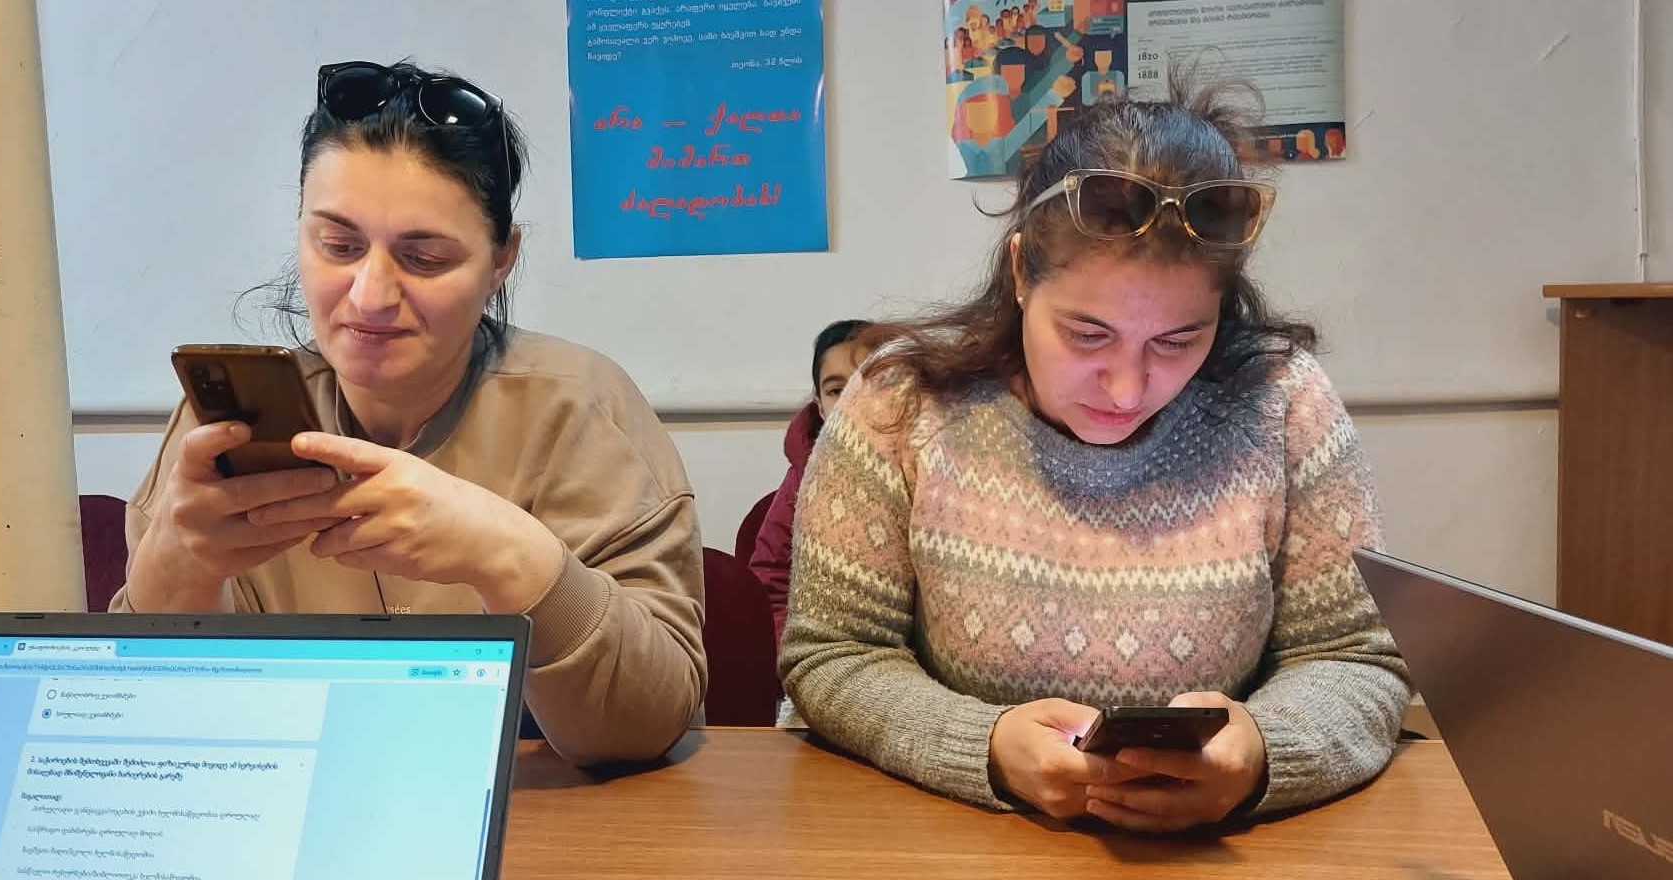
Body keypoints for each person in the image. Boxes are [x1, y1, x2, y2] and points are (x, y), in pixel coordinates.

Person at [780, 85, 1412, 833]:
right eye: (1086, 334)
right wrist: (984, 746)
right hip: (949, 849)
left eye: (1177, 340)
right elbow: (832, 654)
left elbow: (1356, 660)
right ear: (1021, 272)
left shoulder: (1282, 403)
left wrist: (1261, 754)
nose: (1127, 387)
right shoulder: (900, 402)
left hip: (1221, 865)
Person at [111, 60, 706, 765]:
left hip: (536, 808)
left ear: (501, 260)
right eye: (338, 246)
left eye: (424, 258)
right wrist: (179, 568)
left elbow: (646, 725)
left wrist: (509, 557)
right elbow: (143, 725)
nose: (369, 295)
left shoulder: (578, 407)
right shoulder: (220, 429)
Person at [748, 319, 877, 643]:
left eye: (868, 385)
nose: (850, 401)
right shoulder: (803, 476)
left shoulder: (928, 471)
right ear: (819, 406)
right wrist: (796, 654)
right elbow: (771, 582)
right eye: (836, 390)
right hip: (817, 652)